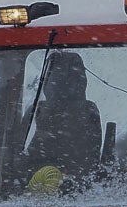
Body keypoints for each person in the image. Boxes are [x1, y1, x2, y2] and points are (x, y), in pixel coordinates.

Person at [21, 51, 102, 186]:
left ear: (47, 79)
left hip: (35, 184)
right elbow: (93, 158)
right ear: (82, 79)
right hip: (80, 186)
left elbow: (16, 155)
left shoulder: (36, 110)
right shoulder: (89, 111)